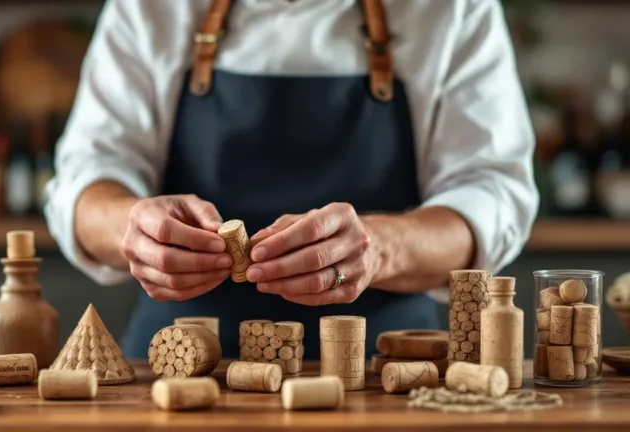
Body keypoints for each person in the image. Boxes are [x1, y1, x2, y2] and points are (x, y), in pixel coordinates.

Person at [44, 0, 539, 359]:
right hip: (180, 365)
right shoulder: (150, 9)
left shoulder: (452, 9)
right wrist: (134, 227)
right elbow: (85, 179)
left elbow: (494, 192)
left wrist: (381, 248)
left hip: (382, 370)